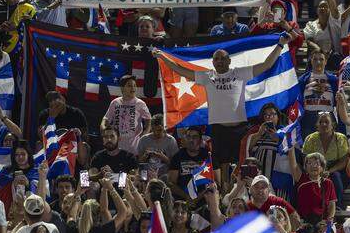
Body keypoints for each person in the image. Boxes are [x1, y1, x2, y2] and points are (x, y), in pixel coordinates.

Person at [153, 33, 291, 187]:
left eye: (223, 58)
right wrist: (164, 57)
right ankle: (225, 197)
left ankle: (242, 194)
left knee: (243, 165)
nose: (219, 61)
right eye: (216, 59)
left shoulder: (239, 73)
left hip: (240, 129)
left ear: (229, 60)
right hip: (219, 130)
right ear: (212, 62)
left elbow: (266, 65)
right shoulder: (207, 76)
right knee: (222, 168)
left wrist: (280, 44)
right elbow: (180, 70)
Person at [302, 113, 348, 208]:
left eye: (326, 122)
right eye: (321, 122)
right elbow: (306, 160)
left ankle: (337, 206)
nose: (323, 124)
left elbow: (344, 161)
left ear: (333, 125)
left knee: (335, 176)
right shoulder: (310, 139)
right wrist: (317, 171)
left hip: (336, 169)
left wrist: (329, 171)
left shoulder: (340, 138)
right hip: (314, 168)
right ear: (317, 125)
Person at [100, 74, 151, 155]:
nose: (133, 88)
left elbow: (148, 120)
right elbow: (106, 119)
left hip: (133, 147)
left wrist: (144, 135)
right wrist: (103, 128)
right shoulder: (115, 102)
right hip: (116, 146)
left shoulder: (140, 103)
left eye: (134, 86)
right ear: (122, 88)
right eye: (130, 86)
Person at [167, 127, 218, 200]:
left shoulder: (208, 156)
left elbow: (217, 182)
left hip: (206, 199)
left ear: (200, 140)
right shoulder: (177, 157)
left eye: (194, 137)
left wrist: (201, 195)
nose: (191, 140)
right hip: (183, 200)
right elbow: (171, 183)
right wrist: (187, 197)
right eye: (188, 137)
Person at [298, 51, 339, 137]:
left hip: (328, 116)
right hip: (308, 117)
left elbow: (337, 101)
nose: (318, 62)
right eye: (315, 59)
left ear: (326, 61)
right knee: (308, 148)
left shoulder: (334, 80)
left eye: (321, 59)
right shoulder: (302, 80)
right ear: (311, 61)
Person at [291, 152, 337, 224]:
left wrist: (329, 220)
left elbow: (332, 205)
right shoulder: (301, 179)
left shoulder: (328, 183)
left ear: (322, 168)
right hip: (303, 222)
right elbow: (293, 164)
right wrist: (291, 148)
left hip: (322, 222)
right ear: (305, 167)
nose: (313, 166)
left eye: (317, 164)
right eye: (309, 163)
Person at [303, 0, 341, 66]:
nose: (322, 9)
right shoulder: (310, 25)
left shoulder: (335, 23)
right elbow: (309, 41)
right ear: (317, 10)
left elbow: (335, 10)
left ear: (329, 10)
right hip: (316, 56)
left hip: (333, 57)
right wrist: (319, 50)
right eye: (320, 7)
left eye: (325, 7)